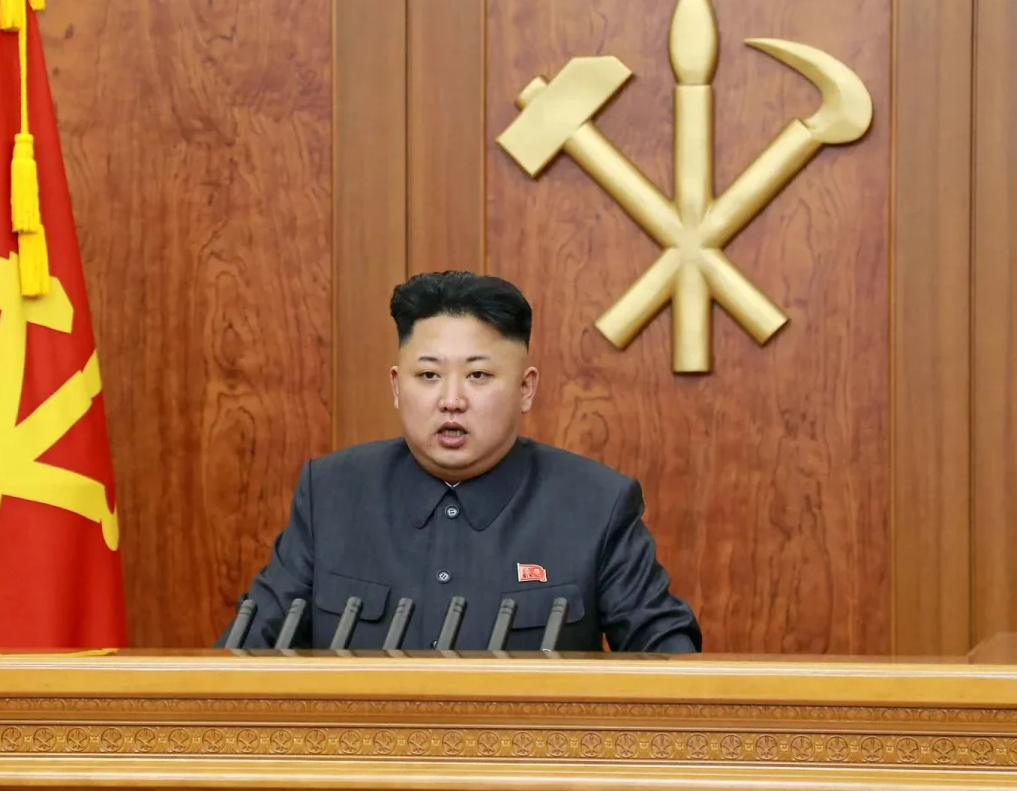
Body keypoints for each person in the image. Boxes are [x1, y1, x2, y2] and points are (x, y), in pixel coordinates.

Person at [217, 271, 701, 653]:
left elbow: (668, 662)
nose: (451, 400)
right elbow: (248, 649)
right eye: (428, 375)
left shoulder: (595, 505)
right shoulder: (333, 494)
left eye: (478, 375)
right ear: (395, 385)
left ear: (525, 388)